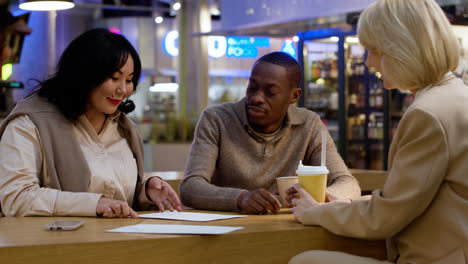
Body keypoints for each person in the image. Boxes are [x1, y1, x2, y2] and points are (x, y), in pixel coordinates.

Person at [288, 0, 467, 263]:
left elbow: (386, 217)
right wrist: (342, 206)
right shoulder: (456, 97)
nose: (369, 62)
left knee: (304, 260)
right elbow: (416, 201)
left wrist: (313, 212)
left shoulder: (427, 114)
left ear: (402, 49)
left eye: (374, 50)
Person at [0, 28, 181, 218]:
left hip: (121, 243)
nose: (123, 90)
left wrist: (146, 190)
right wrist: (94, 204)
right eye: (114, 78)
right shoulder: (30, 124)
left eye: (129, 80)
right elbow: (16, 198)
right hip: (56, 245)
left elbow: (117, 194)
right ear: (84, 74)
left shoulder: (125, 128)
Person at [179, 51, 361, 214]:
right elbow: (191, 187)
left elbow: (348, 183)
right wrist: (240, 198)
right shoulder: (216, 120)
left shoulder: (309, 125)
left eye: (270, 92)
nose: (257, 98)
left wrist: (324, 196)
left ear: (294, 96)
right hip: (228, 232)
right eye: (252, 87)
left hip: (287, 229)